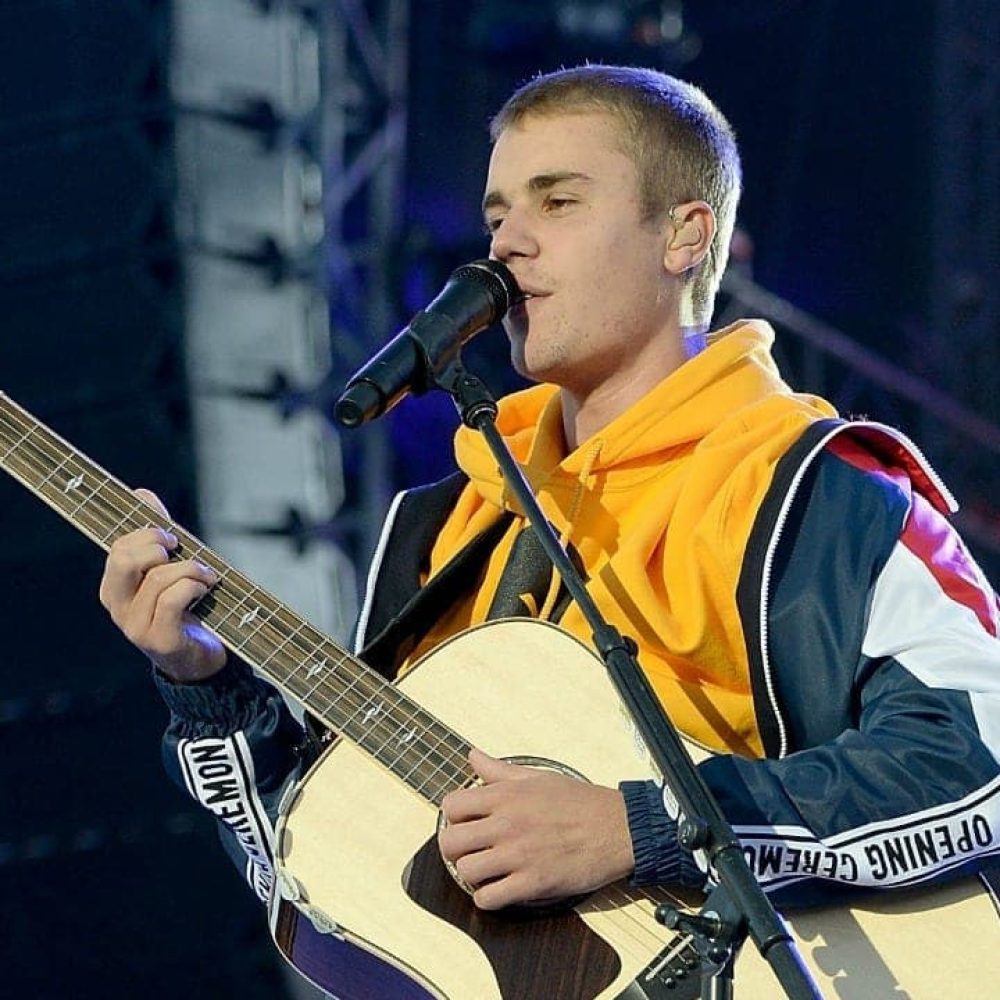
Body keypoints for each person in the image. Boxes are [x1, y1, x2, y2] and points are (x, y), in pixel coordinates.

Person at [100, 65, 1000, 926]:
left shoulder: (823, 489)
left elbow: (980, 760)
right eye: (498, 213)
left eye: (558, 201)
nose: (506, 242)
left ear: (683, 236)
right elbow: (318, 890)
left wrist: (642, 826)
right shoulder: (447, 529)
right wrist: (208, 690)